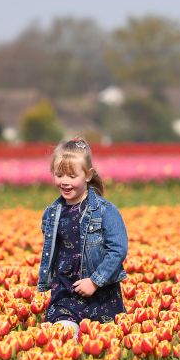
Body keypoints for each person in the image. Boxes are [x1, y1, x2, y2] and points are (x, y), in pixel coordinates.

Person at [37, 137, 128, 340]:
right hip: (65, 294)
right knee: (63, 338)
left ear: (88, 175)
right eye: (59, 175)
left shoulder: (106, 211)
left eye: (72, 175)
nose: (65, 181)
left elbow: (118, 250)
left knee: (101, 345)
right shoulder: (51, 213)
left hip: (101, 297)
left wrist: (95, 281)